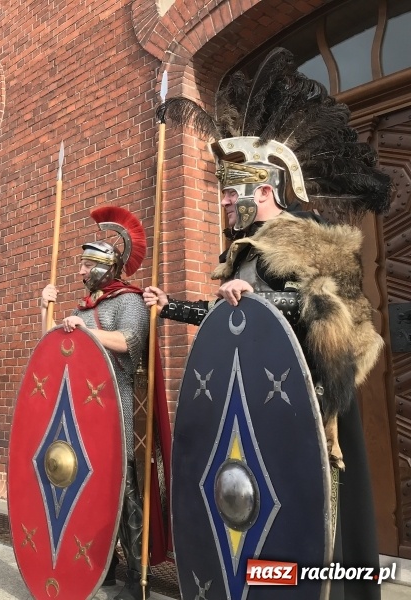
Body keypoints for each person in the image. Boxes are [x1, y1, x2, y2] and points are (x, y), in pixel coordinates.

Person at [147, 48, 392, 600]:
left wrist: (260, 303)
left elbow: (323, 308)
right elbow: (230, 313)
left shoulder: (315, 239)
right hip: (257, 392)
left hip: (309, 393)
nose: (227, 202)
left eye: (234, 193)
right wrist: (172, 305)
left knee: (312, 512)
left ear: (264, 190)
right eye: (225, 192)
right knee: (261, 511)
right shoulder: (245, 250)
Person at [40, 205, 156, 600]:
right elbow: (55, 348)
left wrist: (85, 329)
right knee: (87, 489)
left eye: (87, 266)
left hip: (117, 403)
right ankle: (100, 566)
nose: (79, 273)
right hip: (82, 410)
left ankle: (135, 576)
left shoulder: (129, 301)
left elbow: (130, 342)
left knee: (123, 490)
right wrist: (47, 309)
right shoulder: (84, 308)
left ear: (107, 268)